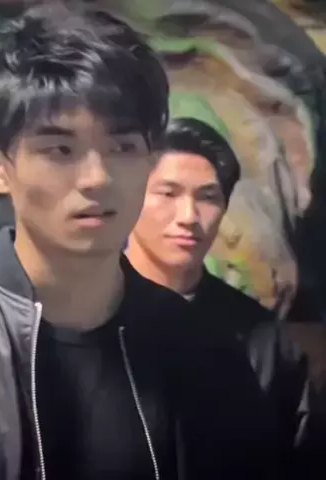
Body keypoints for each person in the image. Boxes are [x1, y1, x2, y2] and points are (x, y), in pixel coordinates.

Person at [0, 4, 290, 480]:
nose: (96, 178)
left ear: (149, 162)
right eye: (60, 149)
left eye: (122, 147)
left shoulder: (205, 356)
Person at [127, 115, 324, 479]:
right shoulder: (79, 315)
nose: (188, 216)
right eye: (168, 193)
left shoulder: (263, 342)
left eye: (207, 197)